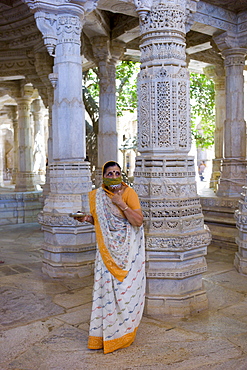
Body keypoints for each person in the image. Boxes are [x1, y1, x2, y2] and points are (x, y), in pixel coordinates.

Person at [75, 161, 145, 354]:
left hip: (127, 253)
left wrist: (121, 203)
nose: (114, 176)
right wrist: (88, 219)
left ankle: (123, 334)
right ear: (103, 176)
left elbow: (138, 221)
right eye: (110, 173)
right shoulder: (98, 195)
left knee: (125, 294)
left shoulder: (128, 193)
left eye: (117, 173)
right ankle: (104, 336)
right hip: (106, 254)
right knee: (105, 293)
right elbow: (102, 222)